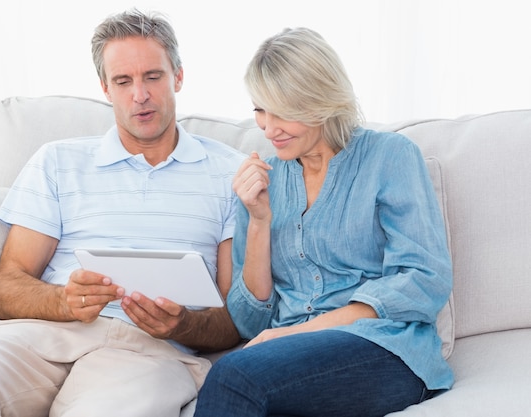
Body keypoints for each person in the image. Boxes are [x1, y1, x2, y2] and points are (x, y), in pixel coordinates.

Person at [0, 8, 245, 417]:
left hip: (150, 353)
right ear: (105, 87)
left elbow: (233, 315)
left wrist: (184, 326)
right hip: (47, 336)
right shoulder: (58, 161)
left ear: (178, 76)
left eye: (152, 76)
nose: (140, 95)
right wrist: (63, 301)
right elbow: (5, 285)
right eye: (123, 81)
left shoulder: (231, 172)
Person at [193, 27, 454, 417]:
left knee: (235, 377)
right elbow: (249, 321)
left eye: (283, 111)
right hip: (288, 357)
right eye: (260, 109)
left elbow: (424, 280)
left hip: (382, 348)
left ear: (322, 100)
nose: (268, 127)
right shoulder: (265, 179)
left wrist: (292, 333)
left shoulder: (390, 156)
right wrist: (261, 221)